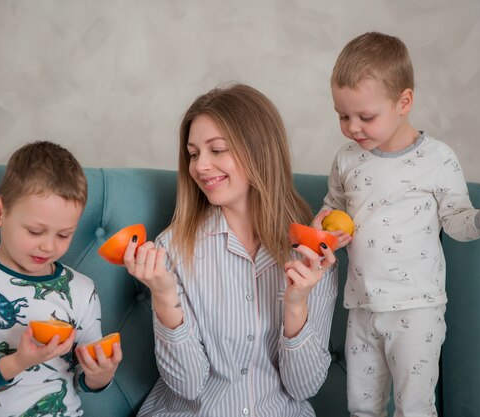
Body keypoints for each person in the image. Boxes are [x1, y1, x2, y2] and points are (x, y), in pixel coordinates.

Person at [313, 32, 480, 416]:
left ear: (404, 102)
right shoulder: (347, 159)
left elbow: (458, 222)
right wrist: (326, 228)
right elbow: (332, 208)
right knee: (361, 405)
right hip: (362, 305)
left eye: (365, 116)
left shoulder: (438, 159)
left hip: (417, 307)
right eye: (342, 115)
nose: (352, 127)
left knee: (414, 406)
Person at [123, 83, 338, 416]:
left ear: (259, 151)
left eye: (217, 149)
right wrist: (165, 298)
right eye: (194, 154)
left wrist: (296, 307)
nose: (200, 166)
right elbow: (188, 385)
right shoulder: (174, 248)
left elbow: (304, 387)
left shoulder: (311, 253)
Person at [0, 141, 122, 416]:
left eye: (63, 234)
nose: (48, 246)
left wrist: (100, 374)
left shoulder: (81, 290)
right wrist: (18, 361)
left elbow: (83, 377)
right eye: (35, 231)